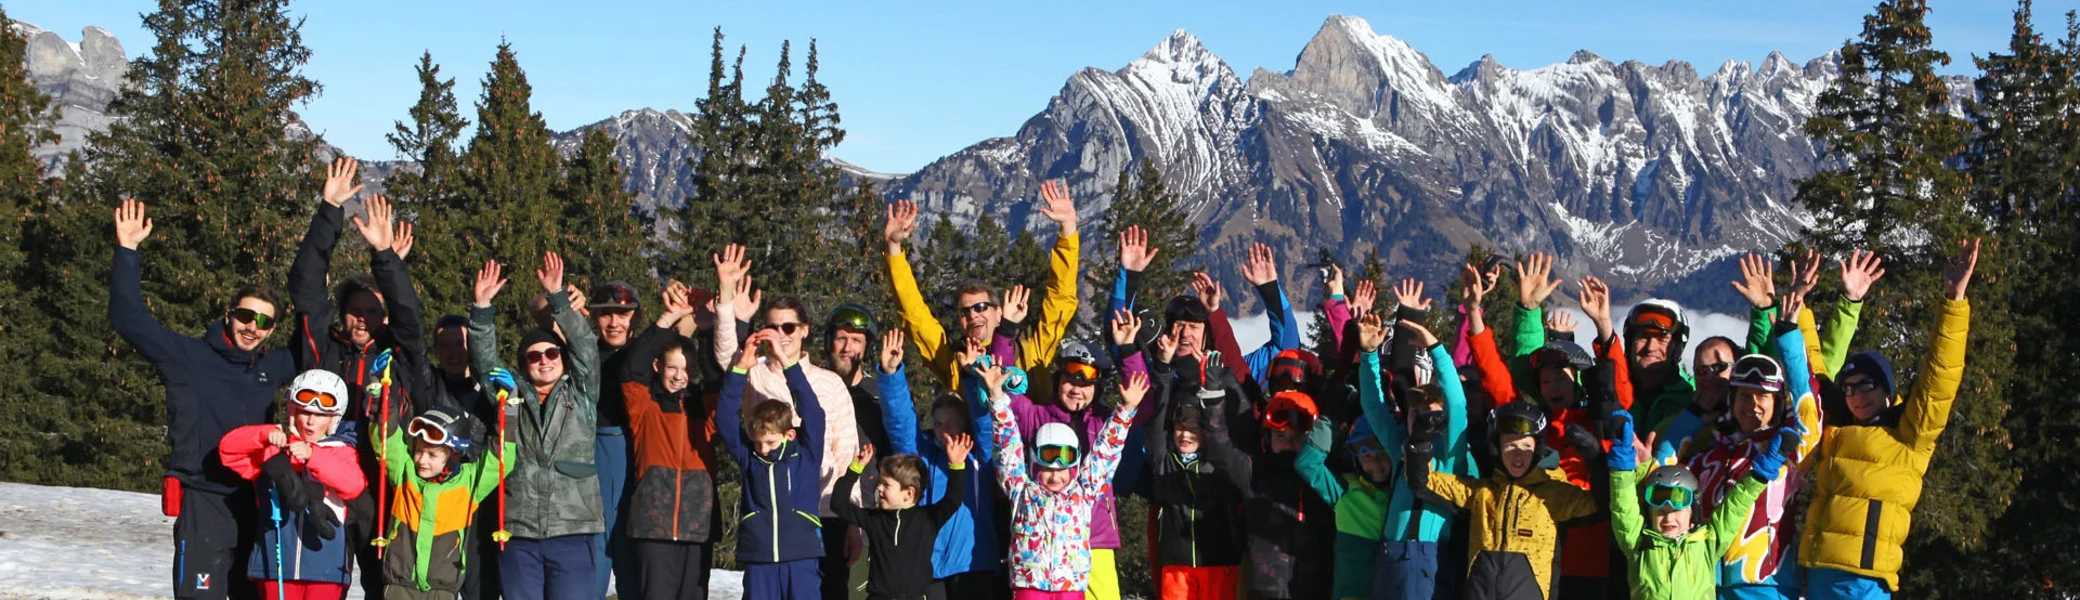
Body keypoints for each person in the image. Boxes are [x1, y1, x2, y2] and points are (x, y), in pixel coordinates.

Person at [111, 199, 294, 600]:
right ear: (229, 315)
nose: (252, 327)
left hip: (258, 500)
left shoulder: (275, 366)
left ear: (272, 329)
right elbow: (130, 319)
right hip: (204, 497)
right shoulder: (188, 358)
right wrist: (127, 251)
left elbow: (319, 345)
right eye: (246, 316)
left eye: (264, 322)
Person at [1799, 239, 1978, 600]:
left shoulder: (1909, 432)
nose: (1855, 396)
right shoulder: (1836, 425)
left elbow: (1940, 377)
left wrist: (1954, 302)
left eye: (1865, 386)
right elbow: (1809, 367)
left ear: (1885, 388)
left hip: (1864, 579)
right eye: (1847, 389)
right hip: (1816, 571)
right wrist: (1799, 302)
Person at [711, 244, 864, 599]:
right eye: (773, 326)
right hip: (769, 519)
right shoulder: (757, 376)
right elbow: (726, 359)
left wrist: (854, 519)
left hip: (825, 512)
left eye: (790, 326)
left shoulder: (828, 382)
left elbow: (846, 450)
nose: (782, 334)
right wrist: (726, 295)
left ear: (805, 330)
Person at [983, 311, 1156, 600]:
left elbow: (1139, 407)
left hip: (1094, 539)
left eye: (1086, 384)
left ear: (1097, 389)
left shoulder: (1101, 423)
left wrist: (1128, 352)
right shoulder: (1036, 418)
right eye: (1070, 380)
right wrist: (1006, 331)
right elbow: (1005, 408)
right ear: (1057, 379)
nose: (1077, 389)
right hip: (1034, 576)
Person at [467, 254, 605, 600]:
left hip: (573, 530)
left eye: (551, 353)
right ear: (524, 364)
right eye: (533, 355)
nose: (543, 360)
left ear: (562, 357)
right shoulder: (508, 394)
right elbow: (484, 364)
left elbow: (586, 347)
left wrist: (558, 297)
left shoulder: (582, 392)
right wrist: (482, 307)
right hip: (519, 532)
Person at [881, 179, 1079, 391]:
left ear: (1000, 313)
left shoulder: (1031, 351)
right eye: (964, 312)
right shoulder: (955, 363)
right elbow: (915, 318)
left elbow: (1060, 301)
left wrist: (1067, 229)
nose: (973, 315)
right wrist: (893, 248)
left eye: (981, 307)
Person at [1411, 398, 1606, 600]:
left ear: (1538, 449)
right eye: (1510, 446)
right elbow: (1422, 482)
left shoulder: (1553, 495)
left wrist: (1596, 459)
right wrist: (1420, 443)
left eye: (1526, 446)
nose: (1518, 455)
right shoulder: (1481, 493)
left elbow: (1604, 504)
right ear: (1497, 448)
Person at [1349, 313, 1474, 600]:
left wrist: (1437, 349)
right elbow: (1373, 407)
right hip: (1389, 557)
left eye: (1431, 412)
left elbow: (1456, 402)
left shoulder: (1450, 454)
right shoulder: (1400, 447)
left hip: (1426, 559)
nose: (1421, 419)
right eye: (1416, 412)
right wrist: (1369, 355)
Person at [1606, 409, 1787, 600]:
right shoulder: (1638, 544)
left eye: (1677, 510)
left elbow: (1735, 507)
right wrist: (1621, 469)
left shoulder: (1708, 542)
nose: (1668, 518)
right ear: (1649, 514)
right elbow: (1622, 507)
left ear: (1692, 511)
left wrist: (1759, 476)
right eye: (1660, 512)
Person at [217, 370, 364, 600]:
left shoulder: (340, 451)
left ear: (333, 419)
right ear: (293, 411)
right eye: (304, 412)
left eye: (320, 415)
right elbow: (228, 450)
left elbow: (353, 484)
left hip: (324, 567)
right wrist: (266, 434)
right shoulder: (276, 447)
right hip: (275, 564)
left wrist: (312, 456)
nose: (311, 421)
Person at [877, 329, 1003, 598]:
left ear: (964, 422)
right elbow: (901, 423)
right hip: (929, 565)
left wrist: (970, 376)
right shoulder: (922, 457)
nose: (943, 429)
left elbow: (985, 423)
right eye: (938, 423)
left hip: (974, 563)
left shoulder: (979, 456)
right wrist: (891, 374)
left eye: (951, 422)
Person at [620, 282, 722, 600]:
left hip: (697, 524)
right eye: (672, 368)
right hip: (654, 526)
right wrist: (669, 318)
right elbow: (631, 368)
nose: (679, 375)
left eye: (686, 369)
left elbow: (718, 380)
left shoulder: (703, 410)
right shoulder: (644, 406)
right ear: (658, 367)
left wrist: (705, 330)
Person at [716, 329, 828, 600]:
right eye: (758, 442)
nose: (763, 449)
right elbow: (724, 420)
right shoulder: (749, 458)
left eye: (770, 443)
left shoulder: (806, 454)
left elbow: (813, 411)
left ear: (789, 434)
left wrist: (786, 362)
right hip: (759, 556)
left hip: (801, 556)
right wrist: (740, 370)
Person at [379, 404, 519, 600]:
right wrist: (380, 399)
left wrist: (508, 410)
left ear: (454, 455)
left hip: (442, 589)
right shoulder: (405, 473)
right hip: (399, 586)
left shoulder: (469, 483)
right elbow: (387, 439)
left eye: (432, 455)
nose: (421, 460)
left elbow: (499, 459)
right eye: (419, 451)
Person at [1144, 347, 1251, 600]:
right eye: (1180, 427)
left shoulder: (1220, 465)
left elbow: (1235, 432)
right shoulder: (1164, 463)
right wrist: (1162, 370)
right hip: (1176, 565)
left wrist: (1218, 384)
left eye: (1194, 428)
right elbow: (1155, 422)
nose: (1185, 434)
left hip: (1219, 563)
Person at [833, 437, 974, 600]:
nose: (879, 488)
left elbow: (953, 499)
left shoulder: (927, 519)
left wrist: (956, 465)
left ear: (909, 493)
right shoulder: (874, 519)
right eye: (879, 483)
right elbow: (839, 504)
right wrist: (855, 469)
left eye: (886, 485)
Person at [585, 279, 647, 600]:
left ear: (635, 317)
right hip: (594, 454)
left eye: (623, 314)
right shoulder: (585, 353)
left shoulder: (647, 353)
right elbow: (540, 313)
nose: (614, 322)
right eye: (606, 314)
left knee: (632, 567)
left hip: (634, 456)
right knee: (593, 563)